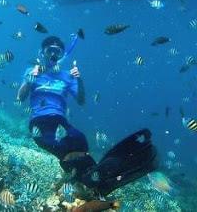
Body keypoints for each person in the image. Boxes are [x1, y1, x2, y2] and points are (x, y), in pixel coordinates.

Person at [17, 36, 158, 196]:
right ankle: (85, 181)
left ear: (62, 54)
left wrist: (79, 80)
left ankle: (96, 177)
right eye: (50, 50)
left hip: (60, 122)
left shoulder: (66, 76)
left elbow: (81, 100)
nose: (53, 55)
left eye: (58, 51)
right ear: (42, 53)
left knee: (80, 139)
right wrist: (30, 79)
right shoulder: (32, 72)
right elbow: (20, 97)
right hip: (39, 122)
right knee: (63, 148)